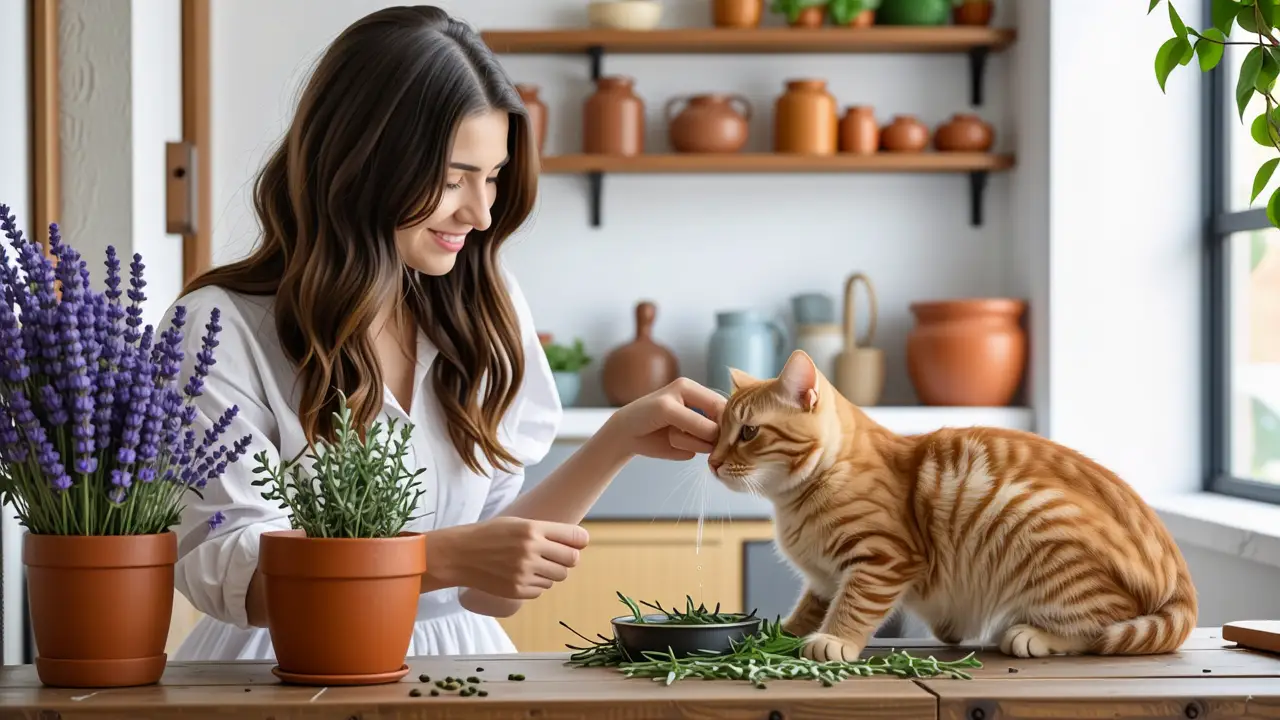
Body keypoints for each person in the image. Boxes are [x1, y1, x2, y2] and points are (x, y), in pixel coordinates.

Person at [165, 5, 725, 661]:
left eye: (493, 177)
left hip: (460, 661)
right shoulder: (219, 329)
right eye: (454, 178)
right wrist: (439, 556)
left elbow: (492, 593)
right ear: (360, 162)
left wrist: (617, 439)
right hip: (280, 666)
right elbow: (237, 578)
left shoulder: (483, 307)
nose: (481, 213)